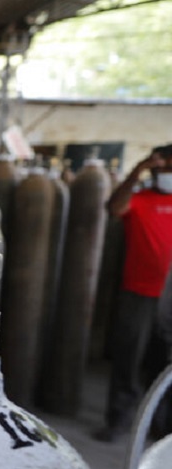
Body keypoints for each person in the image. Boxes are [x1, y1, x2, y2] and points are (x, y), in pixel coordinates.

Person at [95, 144, 172, 442]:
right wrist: (137, 171)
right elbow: (114, 209)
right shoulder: (139, 200)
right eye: (162, 167)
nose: (167, 173)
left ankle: (161, 428)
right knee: (128, 359)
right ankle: (118, 420)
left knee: (164, 365)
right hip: (138, 293)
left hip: (169, 298)